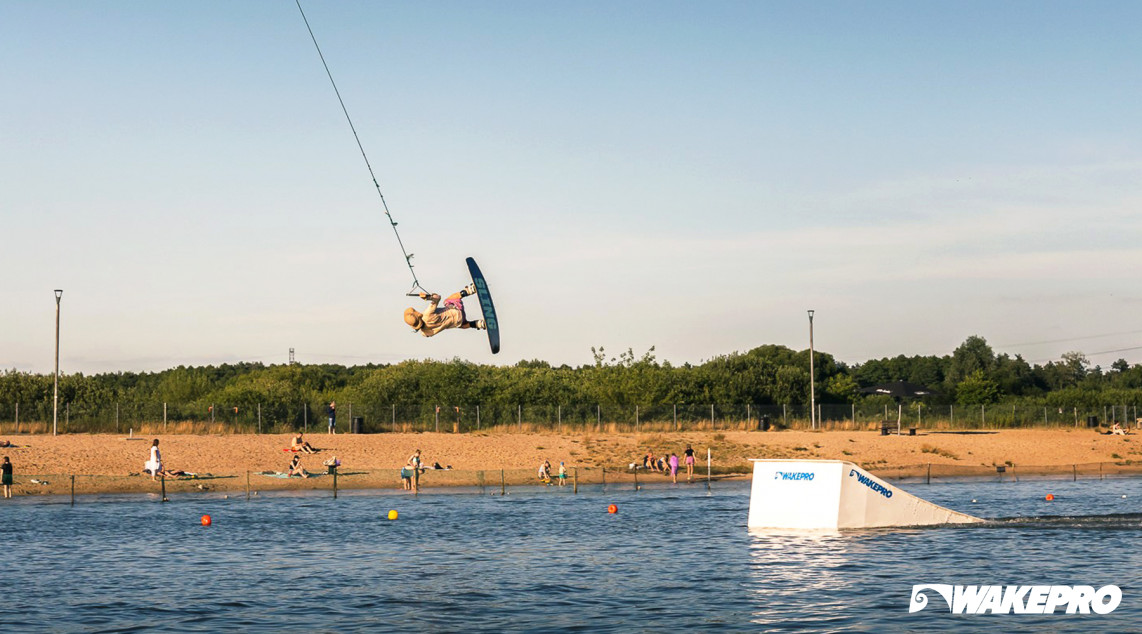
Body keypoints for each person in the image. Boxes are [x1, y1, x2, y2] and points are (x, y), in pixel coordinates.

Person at [403, 285, 487, 337]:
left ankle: (478, 324)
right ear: (417, 314)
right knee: (447, 301)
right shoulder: (427, 314)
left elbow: (426, 334)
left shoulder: (425, 333)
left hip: (459, 322)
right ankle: (470, 290)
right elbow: (438, 298)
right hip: (457, 310)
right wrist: (428, 297)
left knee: (461, 325)